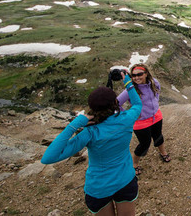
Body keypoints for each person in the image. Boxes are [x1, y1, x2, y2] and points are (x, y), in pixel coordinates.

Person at [41, 72, 141, 216]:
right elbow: (137, 104)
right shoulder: (126, 119)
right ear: (115, 103)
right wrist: (127, 82)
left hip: (99, 188)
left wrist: (74, 125)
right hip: (125, 180)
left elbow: (48, 158)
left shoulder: (89, 133)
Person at [117, 64, 170, 176]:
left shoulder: (153, 83)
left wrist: (155, 104)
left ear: (146, 74)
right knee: (144, 144)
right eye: (134, 76)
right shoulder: (130, 89)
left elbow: (157, 92)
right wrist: (129, 114)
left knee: (158, 136)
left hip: (156, 117)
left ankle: (163, 153)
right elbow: (116, 104)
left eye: (139, 74)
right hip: (141, 123)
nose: (136, 78)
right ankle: (134, 164)